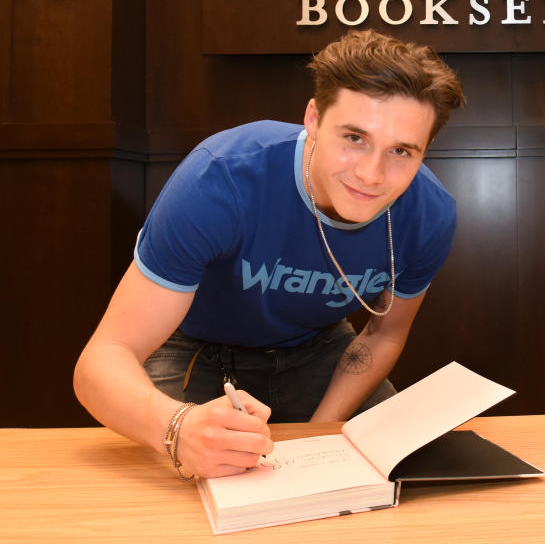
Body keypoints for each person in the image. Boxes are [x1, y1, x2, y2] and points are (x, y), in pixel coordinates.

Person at [73, 29, 466, 480]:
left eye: (401, 151)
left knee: (389, 482)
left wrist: (321, 433)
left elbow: (383, 335)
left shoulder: (430, 214)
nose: (371, 174)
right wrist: (177, 428)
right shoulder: (221, 178)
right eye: (354, 137)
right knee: (175, 498)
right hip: (196, 348)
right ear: (313, 118)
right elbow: (101, 361)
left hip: (319, 348)